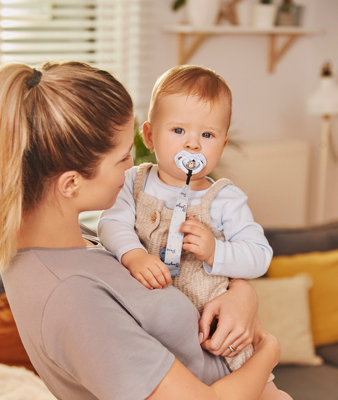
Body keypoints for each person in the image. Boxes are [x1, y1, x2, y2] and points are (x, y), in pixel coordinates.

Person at [0, 61, 288, 400]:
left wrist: (242, 293)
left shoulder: (78, 240)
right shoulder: (73, 297)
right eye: (124, 157)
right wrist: (269, 349)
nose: (135, 167)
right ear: (71, 183)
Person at [98, 65, 284, 396]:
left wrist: (217, 252)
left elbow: (260, 256)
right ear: (150, 135)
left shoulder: (226, 199)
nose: (193, 145)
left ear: (223, 144)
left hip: (219, 337)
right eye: (179, 130)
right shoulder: (133, 182)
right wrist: (135, 255)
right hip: (160, 337)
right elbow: (111, 222)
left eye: (208, 135)